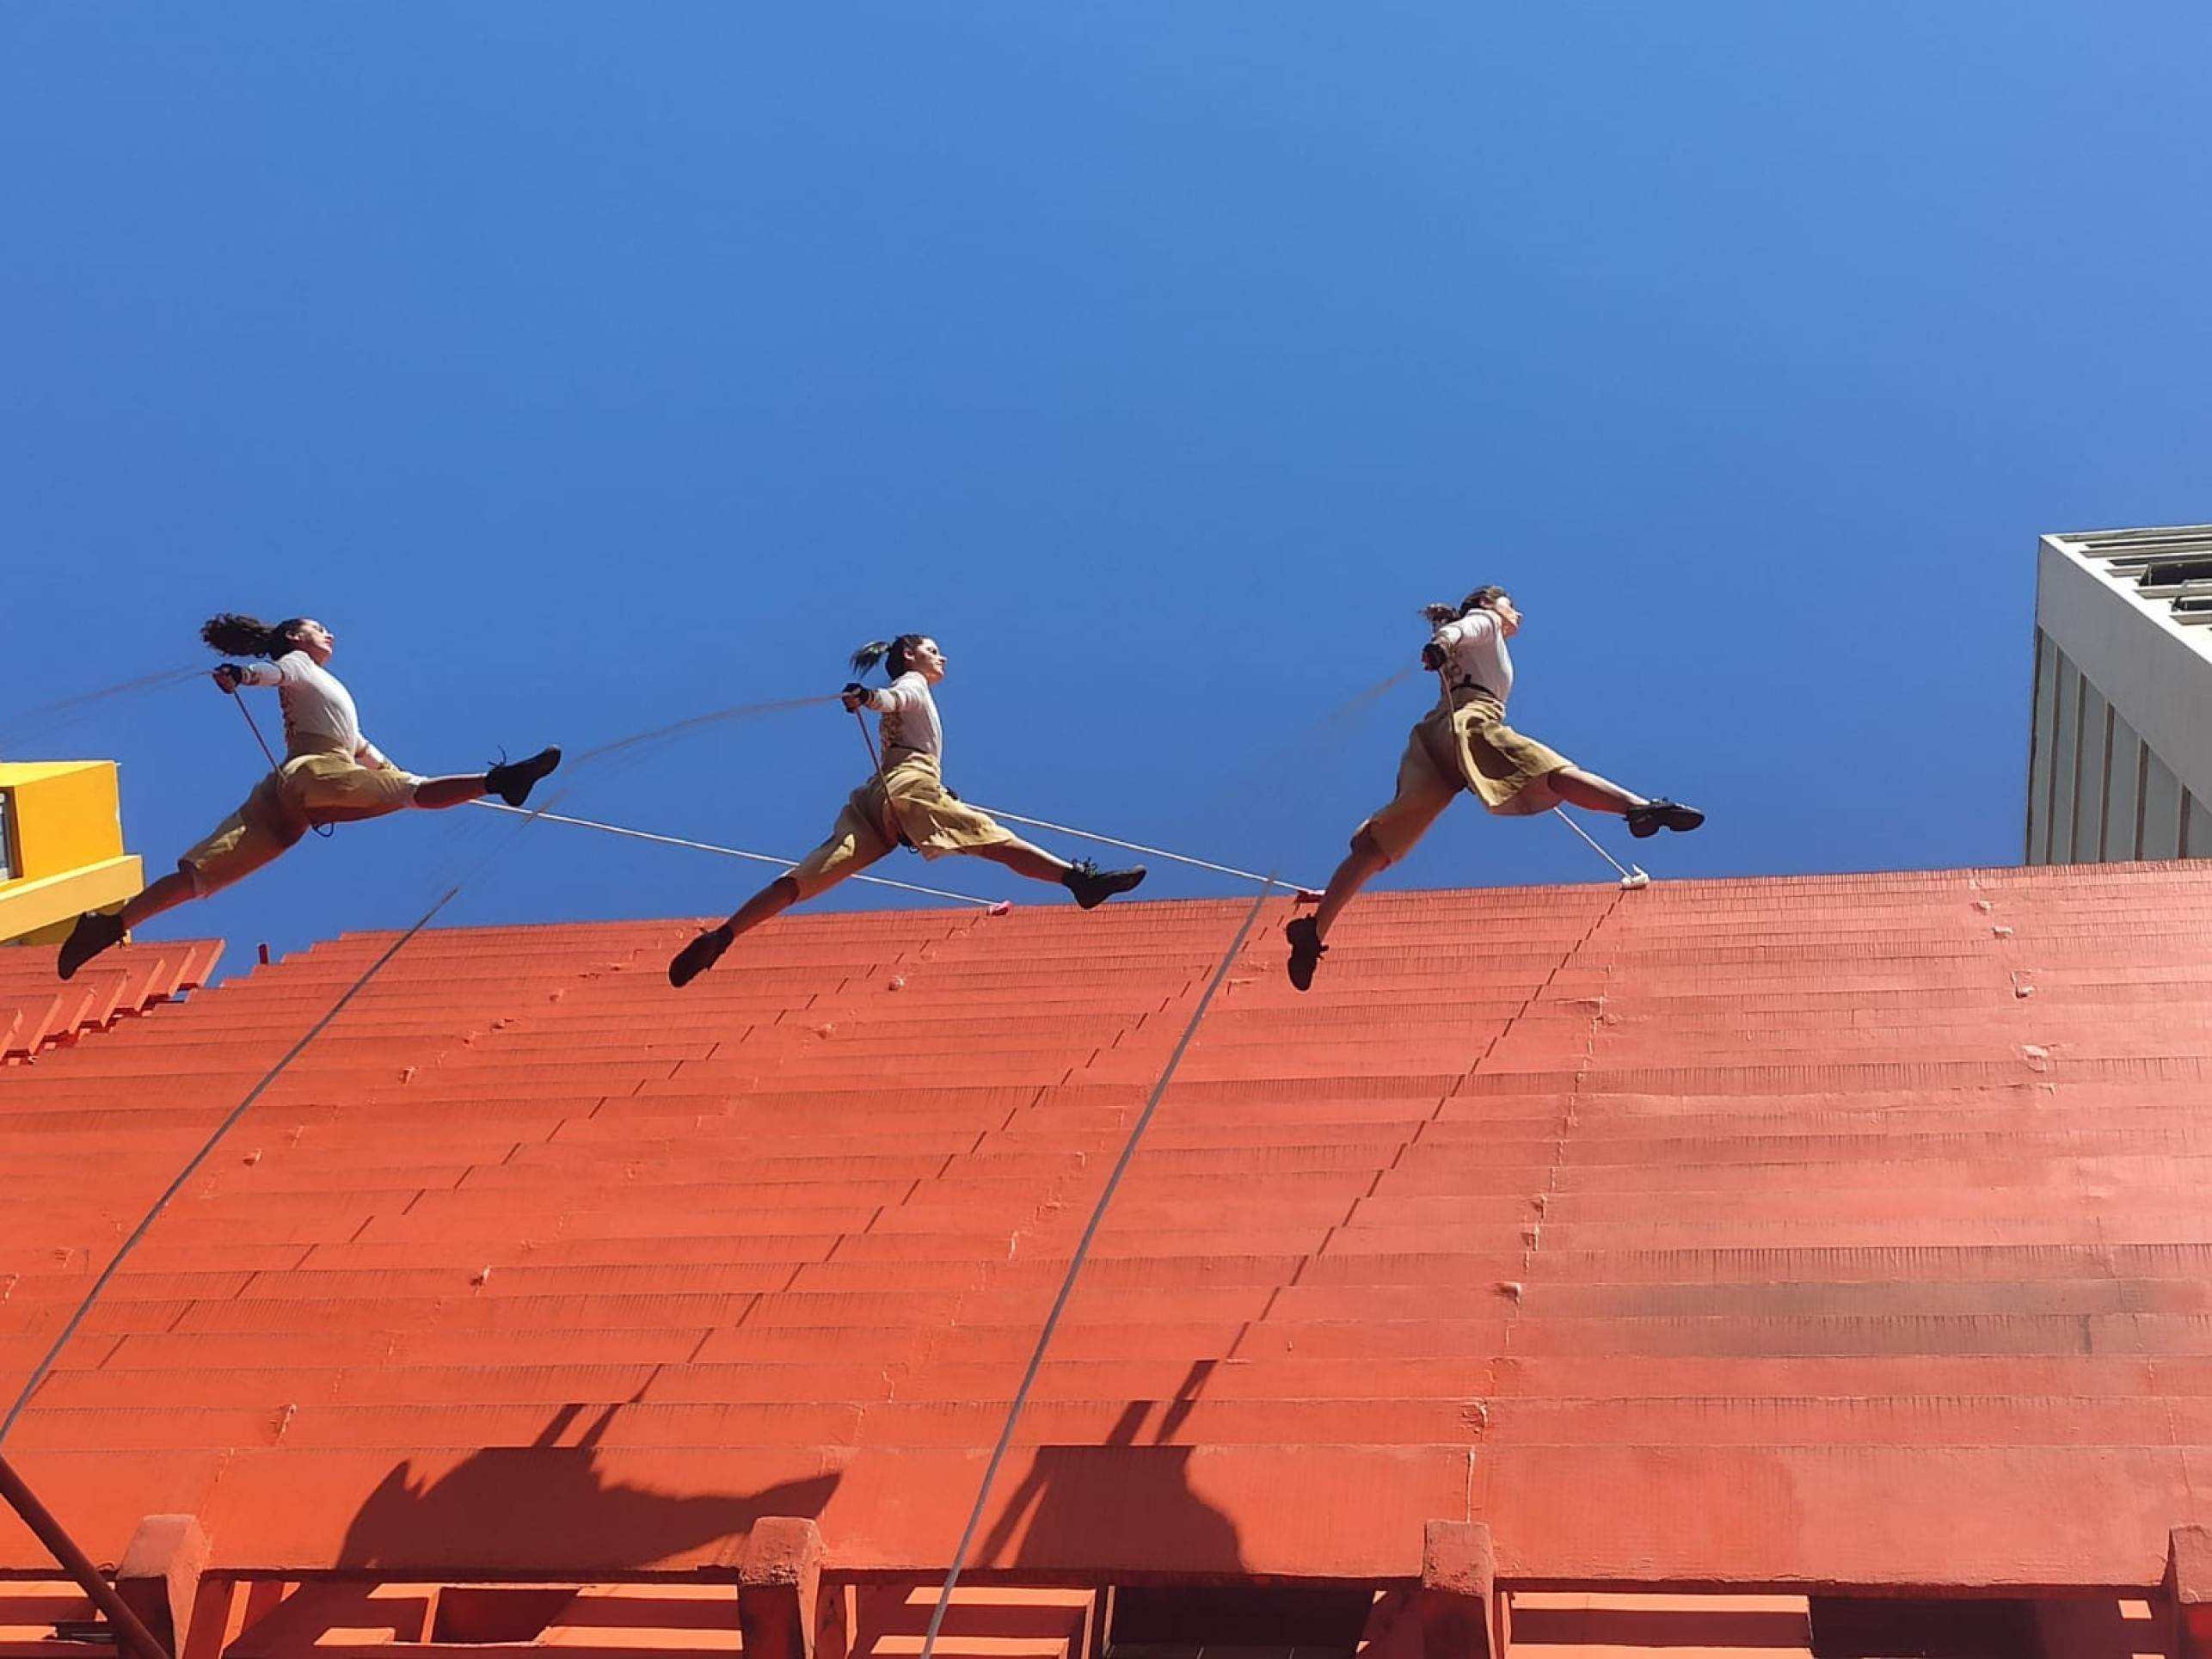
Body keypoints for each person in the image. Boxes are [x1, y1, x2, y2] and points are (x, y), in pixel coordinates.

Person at [57, 612, 561, 980]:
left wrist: (391, 773)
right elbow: (276, 674)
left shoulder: (324, 685)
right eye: (320, 628)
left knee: (201, 877)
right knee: (413, 793)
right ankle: (501, 782)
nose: (330, 634)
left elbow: (365, 750)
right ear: (297, 637)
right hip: (313, 774)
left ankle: (107, 925)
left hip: (287, 797)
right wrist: (244, 675)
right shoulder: (297, 662)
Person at [1286, 587, 1703, 991]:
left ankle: (1318, 925)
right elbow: (1464, 629)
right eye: (1511, 604)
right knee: (1545, 769)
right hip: (1472, 718)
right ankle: (1638, 808)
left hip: (1434, 738)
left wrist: (1442, 643)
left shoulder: (1477, 633)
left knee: (1384, 841)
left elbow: (1454, 635)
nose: (1517, 613)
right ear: (1491, 604)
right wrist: (1443, 643)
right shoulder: (1484, 620)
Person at [669, 634, 1146, 986]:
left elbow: (893, 708)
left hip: (873, 800)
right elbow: (897, 697)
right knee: (991, 839)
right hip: (909, 785)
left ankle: (725, 936)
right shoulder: (914, 682)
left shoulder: (910, 692)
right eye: (932, 648)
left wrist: (870, 701)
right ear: (908, 656)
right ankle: (1078, 880)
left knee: (806, 877)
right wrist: (872, 697)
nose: (942, 656)